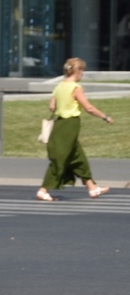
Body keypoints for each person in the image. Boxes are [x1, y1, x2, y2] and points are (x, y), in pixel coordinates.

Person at [37, 57, 112, 202]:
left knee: (77, 156)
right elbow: (88, 108)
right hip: (70, 124)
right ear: (76, 72)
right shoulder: (75, 88)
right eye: (82, 70)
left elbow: (52, 106)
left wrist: (62, 105)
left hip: (60, 124)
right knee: (61, 158)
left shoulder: (59, 86)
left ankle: (92, 187)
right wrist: (105, 116)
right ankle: (43, 189)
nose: (83, 74)